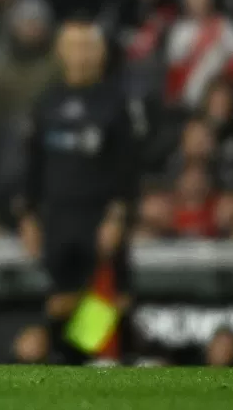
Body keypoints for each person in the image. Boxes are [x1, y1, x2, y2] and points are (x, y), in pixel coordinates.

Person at [18, 21, 143, 365]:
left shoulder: (115, 105)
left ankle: (106, 366)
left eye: (88, 46)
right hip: (58, 217)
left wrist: (117, 216)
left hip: (98, 216)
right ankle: (69, 365)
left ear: (100, 54)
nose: (81, 55)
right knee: (59, 301)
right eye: (73, 46)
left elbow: (128, 170)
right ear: (60, 52)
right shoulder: (46, 103)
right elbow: (33, 165)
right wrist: (28, 215)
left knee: (107, 299)